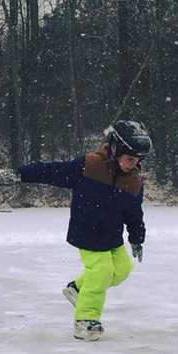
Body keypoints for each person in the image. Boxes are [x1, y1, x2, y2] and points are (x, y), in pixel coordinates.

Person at [18, 120, 150, 341]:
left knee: (123, 268)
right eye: (129, 158)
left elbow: (134, 213)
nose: (133, 164)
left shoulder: (133, 181)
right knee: (101, 271)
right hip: (87, 232)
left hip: (112, 236)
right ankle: (86, 320)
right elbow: (54, 171)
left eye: (138, 160)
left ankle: (78, 289)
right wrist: (23, 173)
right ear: (115, 149)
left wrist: (137, 238)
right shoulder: (89, 166)